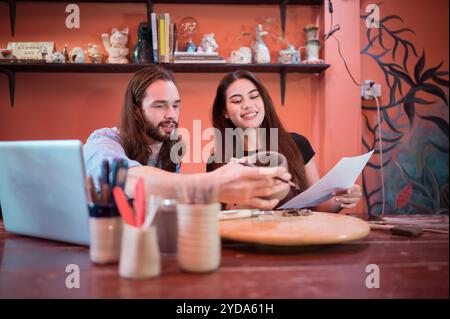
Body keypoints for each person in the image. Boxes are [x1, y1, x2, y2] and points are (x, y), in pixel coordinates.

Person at [83, 65, 290, 209]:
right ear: (136, 111)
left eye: (175, 105)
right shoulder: (104, 140)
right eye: (160, 105)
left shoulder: (172, 148)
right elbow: (124, 178)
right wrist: (213, 184)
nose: (171, 115)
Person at [207, 70, 362, 212]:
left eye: (254, 96)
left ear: (264, 102)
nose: (247, 105)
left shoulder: (298, 144)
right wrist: (251, 203)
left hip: (297, 238)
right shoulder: (218, 159)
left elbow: (319, 207)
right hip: (246, 240)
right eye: (236, 101)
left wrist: (342, 198)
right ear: (225, 112)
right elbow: (219, 218)